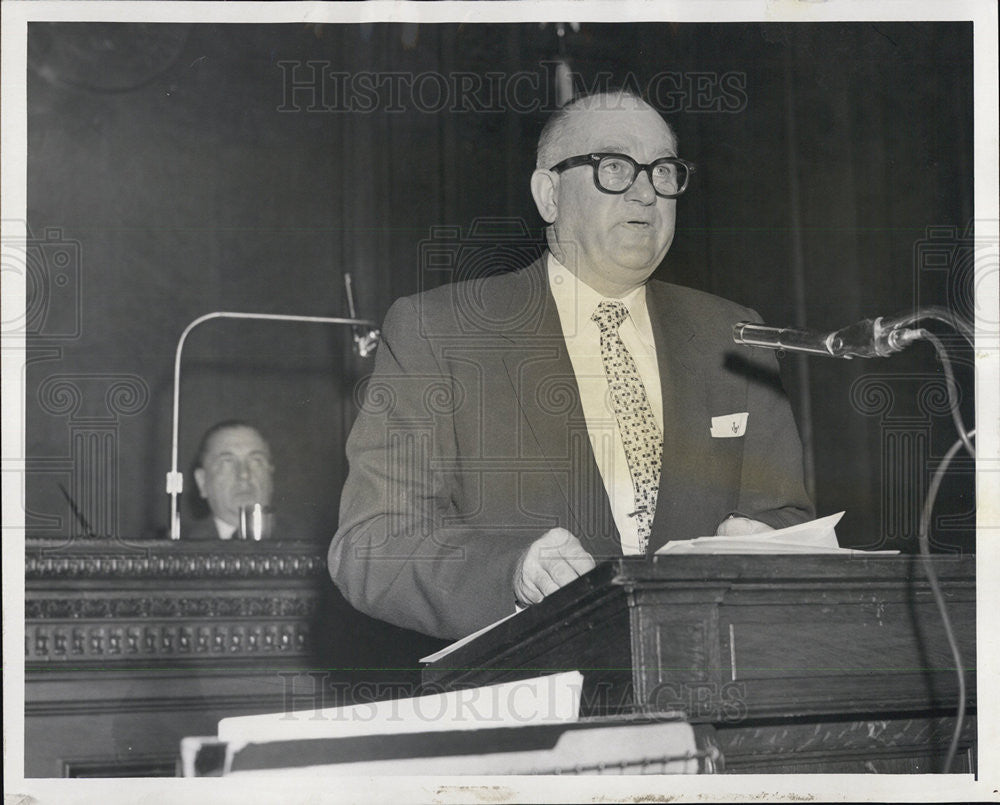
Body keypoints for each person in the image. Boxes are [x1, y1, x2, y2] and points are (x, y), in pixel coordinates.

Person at [329, 90, 814, 639]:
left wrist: (762, 539)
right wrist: (512, 573)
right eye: (614, 167)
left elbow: (786, 518)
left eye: (663, 172)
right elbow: (373, 543)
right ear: (549, 194)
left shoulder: (736, 337)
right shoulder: (439, 332)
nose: (645, 192)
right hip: (533, 697)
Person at [186, 420, 276, 540]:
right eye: (227, 462)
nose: (244, 474)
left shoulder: (305, 544)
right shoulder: (177, 548)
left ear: (270, 475)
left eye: (256, 461)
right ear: (202, 482)